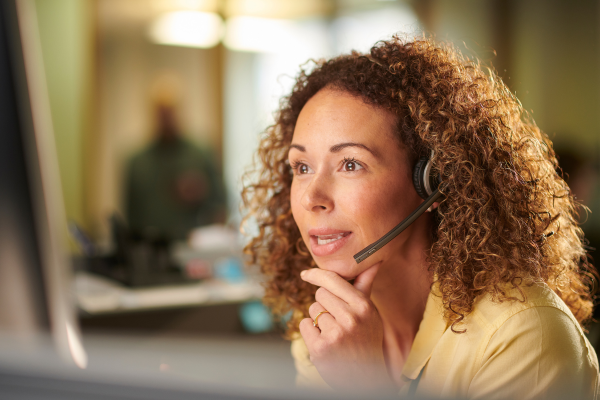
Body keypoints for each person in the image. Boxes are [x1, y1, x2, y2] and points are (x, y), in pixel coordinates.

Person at [242, 36, 599, 398]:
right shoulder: (328, 326)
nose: (310, 198)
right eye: (301, 166)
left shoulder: (522, 334)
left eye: (350, 164)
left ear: (433, 180)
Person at [126, 100, 225, 241]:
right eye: (162, 112)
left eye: (170, 111)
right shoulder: (137, 163)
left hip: (192, 247)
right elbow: (130, 217)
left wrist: (200, 192)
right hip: (151, 250)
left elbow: (219, 204)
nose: (167, 118)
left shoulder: (200, 155)